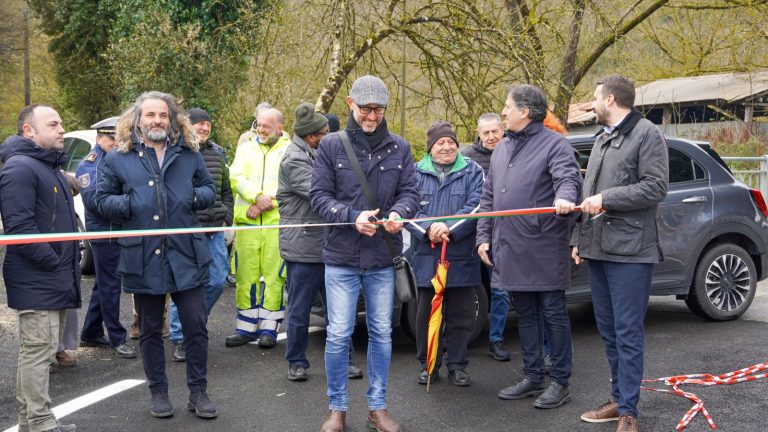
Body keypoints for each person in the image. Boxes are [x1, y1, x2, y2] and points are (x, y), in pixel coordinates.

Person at [95, 91, 217, 419]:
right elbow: (101, 199)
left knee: (196, 324)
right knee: (149, 329)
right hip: (143, 257)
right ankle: (158, 392)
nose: (157, 121)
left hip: (186, 255)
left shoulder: (189, 154)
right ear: (138, 120)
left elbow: (210, 190)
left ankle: (198, 392)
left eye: (162, 115)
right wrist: (131, 204)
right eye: (150, 115)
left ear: (172, 119)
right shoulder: (118, 157)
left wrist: (193, 197)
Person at [311, 75, 418, 432]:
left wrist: (400, 213)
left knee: (382, 333)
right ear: (350, 105)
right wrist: (351, 217)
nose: (372, 115)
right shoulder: (330, 146)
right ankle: (336, 409)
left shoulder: (400, 147)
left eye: (379, 109)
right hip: (340, 256)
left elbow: (411, 193)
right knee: (339, 333)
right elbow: (319, 198)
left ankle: (378, 407)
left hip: (381, 258)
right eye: (366, 108)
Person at [572, 75, 668, 432]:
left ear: (610, 99)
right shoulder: (602, 139)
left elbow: (656, 187)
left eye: (595, 98)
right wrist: (578, 241)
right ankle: (618, 399)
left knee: (627, 332)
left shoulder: (647, 134)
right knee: (609, 331)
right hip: (598, 249)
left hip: (631, 252)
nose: (591, 103)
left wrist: (607, 199)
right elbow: (589, 192)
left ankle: (629, 412)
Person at [476, 84, 582, 409]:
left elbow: (569, 178)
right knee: (524, 313)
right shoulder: (503, 147)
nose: (504, 112)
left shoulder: (555, 144)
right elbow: (489, 197)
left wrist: (565, 196)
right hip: (508, 245)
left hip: (543, 245)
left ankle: (560, 381)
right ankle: (534, 376)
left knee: (552, 312)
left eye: (508, 107)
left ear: (525, 111)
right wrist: (483, 235)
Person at [1, 104, 81, 432]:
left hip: (53, 275)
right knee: (38, 352)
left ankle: (32, 421)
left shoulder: (46, 167)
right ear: (29, 131)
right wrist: (54, 262)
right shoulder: (21, 168)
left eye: (61, 123)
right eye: (53, 124)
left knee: (42, 351)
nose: (62, 129)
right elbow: (19, 228)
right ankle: (40, 424)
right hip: (39, 276)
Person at [408, 121, 484, 387]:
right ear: (431, 148)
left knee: (462, 316)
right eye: (440, 142)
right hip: (427, 257)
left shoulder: (474, 171)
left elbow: (477, 207)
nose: (447, 146)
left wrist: (449, 228)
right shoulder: (414, 173)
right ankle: (428, 365)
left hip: (461, 256)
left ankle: (458, 365)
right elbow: (407, 209)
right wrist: (428, 230)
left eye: (451, 142)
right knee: (426, 316)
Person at [168, 108, 234, 362]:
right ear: (188, 126)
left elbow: (226, 190)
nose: (204, 128)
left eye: (208, 124)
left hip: (214, 231)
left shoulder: (218, 154)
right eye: (199, 124)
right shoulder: (177, 153)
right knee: (184, 284)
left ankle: (193, 323)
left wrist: (226, 213)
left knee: (217, 280)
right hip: (186, 231)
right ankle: (180, 336)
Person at [226, 107, 289, 348]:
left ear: (279, 128)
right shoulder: (245, 148)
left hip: (275, 224)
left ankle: (269, 329)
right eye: (259, 125)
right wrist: (255, 197)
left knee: (274, 278)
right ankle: (245, 327)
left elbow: (290, 185)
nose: (260, 130)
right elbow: (235, 177)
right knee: (245, 275)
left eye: (266, 126)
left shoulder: (289, 150)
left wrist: (265, 203)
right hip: (247, 224)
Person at [278, 103, 331, 381]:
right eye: (324, 132)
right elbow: (320, 192)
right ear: (311, 136)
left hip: (328, 245)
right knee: (299, 310)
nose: (329, 135)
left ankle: (342, 361)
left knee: (338, 311)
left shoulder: (316, 151)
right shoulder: (294, 160)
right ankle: (296, 361)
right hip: (303, 248)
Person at [76, 116, 136, 360]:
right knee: (110, 285)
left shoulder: (115, 161)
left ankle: (90, 331)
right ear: (99, 138)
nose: (116, 142)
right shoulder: (92, 165)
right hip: (105, 232)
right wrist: (132, 203)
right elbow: (94, 202)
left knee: (104, 284)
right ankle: (117, 338)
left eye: (119, 137)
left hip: (117, 231)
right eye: (111, 137)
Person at [460, 113, 510, 362]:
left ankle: (496, 339)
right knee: (465, 289)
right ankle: (459, 339)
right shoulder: (466, 158)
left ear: (503, 130)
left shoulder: (513, 152)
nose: (491, 137)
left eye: (495, 132)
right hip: (469, 233)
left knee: (499, 289)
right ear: (478, 133)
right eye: (486, 132)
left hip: (500, 234)